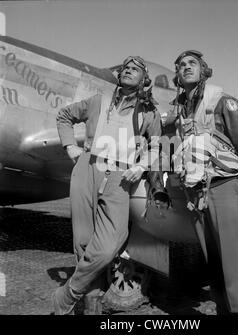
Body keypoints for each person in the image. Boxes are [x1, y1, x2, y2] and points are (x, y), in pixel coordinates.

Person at [54, 56, 166, 315]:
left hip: (120, 175)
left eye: (135, 69)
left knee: (112, 242)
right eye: (125, 67)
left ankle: (68, 293)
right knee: (82, 241)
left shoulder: (149, 112)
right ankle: (90, 305)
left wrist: (140, 166)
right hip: (87, 167)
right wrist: (70, 146)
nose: (127, 70)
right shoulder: (98, 101)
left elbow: (157, 146)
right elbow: (64, 116)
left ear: (144, 80)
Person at [163, 50, 238, 314]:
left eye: (192, 64)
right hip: (197, 195)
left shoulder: (222, 101)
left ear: (203, 70)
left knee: (232, 265)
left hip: (224, 188)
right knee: (214, 265)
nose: (186, 68)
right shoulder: (180, 108)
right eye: (181, 65)